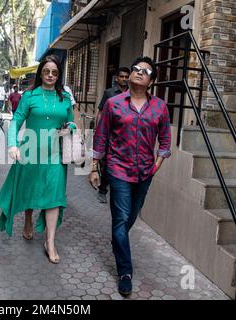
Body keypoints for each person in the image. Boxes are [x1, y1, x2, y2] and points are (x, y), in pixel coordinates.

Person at [89, 56, 171, 297]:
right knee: (121, 219)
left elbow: (165, 142)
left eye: (144, 71)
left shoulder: (160, 107)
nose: (138, 72)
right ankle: (125, 272)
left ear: (151, 81)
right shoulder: (114, 104)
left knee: (128, 220)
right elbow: (101, 136)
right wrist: (94, 167)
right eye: (135, 68)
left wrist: (156, 167)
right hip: (119, 170)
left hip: (145, 172)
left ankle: (118, 240)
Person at [0, 55, 76, 264]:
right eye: (46, 71)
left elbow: (71, 122)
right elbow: (15, 120)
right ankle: (28, 218)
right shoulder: (30, 95)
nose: (50, 75)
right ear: (40, 73)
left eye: (55, 72)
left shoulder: (65, 98)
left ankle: (50, 242)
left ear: (59, 76)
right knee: (31, 188)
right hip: (31, 150)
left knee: (54, 194)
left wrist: (69, 128)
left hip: (55, 154)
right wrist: (13, 144)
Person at [96, 67, 130, 204]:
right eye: (121, 76)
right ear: (117, 78)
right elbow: (100, 112)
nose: (124, 79)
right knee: (108, 163)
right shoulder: (109, 93)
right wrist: (98, 130)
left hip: (126, 135)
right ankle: (103, 190)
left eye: (126, 76)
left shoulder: (132, 93)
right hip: (110, 133)